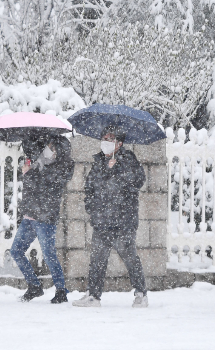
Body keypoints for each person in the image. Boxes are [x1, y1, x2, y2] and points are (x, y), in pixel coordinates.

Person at [72, 125, 148, 308]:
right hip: (102, 220)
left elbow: (138, 181)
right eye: (104, 138)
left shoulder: (128, 159)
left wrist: (117, 169)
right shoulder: (98, 161)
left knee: (130, 258)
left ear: (119, 143)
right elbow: (90, 186)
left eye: (110, 139)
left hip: (123, 221)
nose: (105, 142)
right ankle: (93, 296)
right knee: (97, 259)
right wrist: (92, 208)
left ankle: (141, 294)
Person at [11, 134, 74, 303]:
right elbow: (33, 187)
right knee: (16, 251)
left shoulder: (62, 168)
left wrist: (28, 174)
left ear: (59, 152)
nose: (48, 150)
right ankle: (34, 286)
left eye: (52, 148)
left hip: (45, 218)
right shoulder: (39, 162)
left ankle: (61, 290)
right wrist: (29, 169)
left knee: (48, 254)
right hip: (30, 216)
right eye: (48, 146)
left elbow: (44, 186)